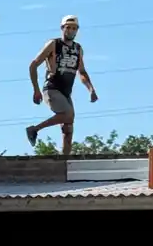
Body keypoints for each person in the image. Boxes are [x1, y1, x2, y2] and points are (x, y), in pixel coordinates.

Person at [26, 14, 99, 153]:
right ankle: (34, 129)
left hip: (66, 91)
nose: (71, 31)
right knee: (68, 114)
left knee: (68, 127)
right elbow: (33, 65)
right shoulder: (54, 44)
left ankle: (65, 161)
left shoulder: (78, 49)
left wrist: (91, 89)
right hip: (52, 87)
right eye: (68, 27)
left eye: (74, 28)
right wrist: (36, 90)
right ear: (62, 28)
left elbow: (81, 71)